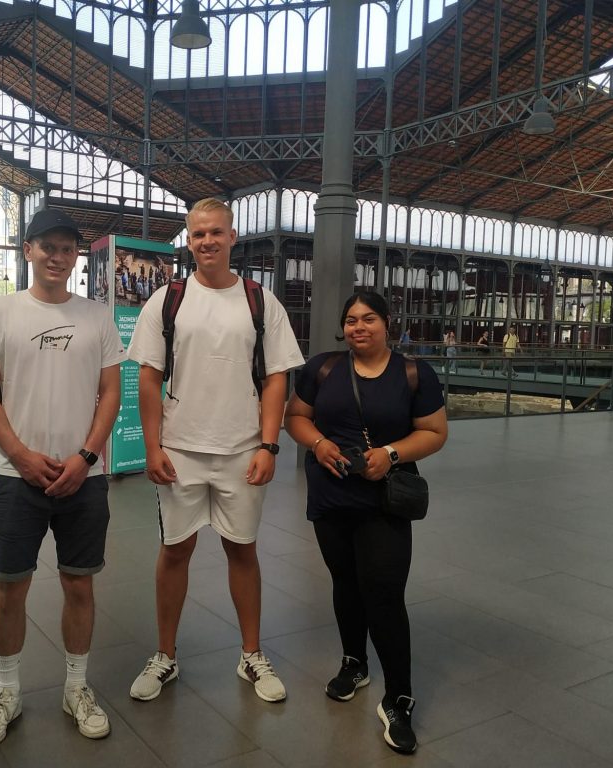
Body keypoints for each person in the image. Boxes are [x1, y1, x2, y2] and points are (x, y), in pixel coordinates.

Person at [126, 197, 305, 704]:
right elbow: (148, 377)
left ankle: (251, 654)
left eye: (216, 232)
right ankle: (166, 655)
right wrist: (154, 445)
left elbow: (276, 378)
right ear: (188, 239)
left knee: (242, 549)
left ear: (232, 237)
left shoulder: (259, 301)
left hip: (241, 449)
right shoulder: (167, 300)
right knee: (175, 550)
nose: (207, 241)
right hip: (181, 449)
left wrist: (269, 444)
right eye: (198, 233)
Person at [0, 208, 125, 748]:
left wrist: (85, 457)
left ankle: (76, 686)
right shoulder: (0, 312)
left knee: (79, 584)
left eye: (68, 248)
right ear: (28, 250)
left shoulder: (97, 317)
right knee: (11, 587)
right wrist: (21, 454)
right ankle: (7, 690)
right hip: (17, 477)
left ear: (76, 255)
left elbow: (112, 394)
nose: (58, 257)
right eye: (48, 247)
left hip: (85, 477)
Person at [283, 291, 447, 755]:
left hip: (385, 499)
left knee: (385, 594)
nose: (359, 327)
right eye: (351, 320)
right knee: (345, 583)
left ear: (387, 323)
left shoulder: (414, 373)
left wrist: (391, 454)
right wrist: (317, 445)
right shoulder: (323, 368)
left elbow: (435, 432)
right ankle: (355, 663)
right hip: (332, 496)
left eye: (369, 318)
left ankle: (399, 699)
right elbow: (295, 418)